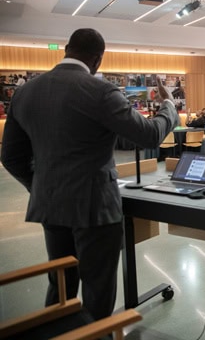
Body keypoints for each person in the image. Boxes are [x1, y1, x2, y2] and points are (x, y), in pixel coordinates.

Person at [0, 28, 179, 321]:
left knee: (60, 287)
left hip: (51, 206)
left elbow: (10, 157)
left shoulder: (25, 92)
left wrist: (43, 186)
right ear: (98, 59)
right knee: (97, 291)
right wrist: (168, 105)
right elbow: (148, 135)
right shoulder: (101, 91)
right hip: (95, 208)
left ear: (66, 50)